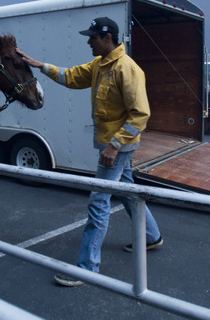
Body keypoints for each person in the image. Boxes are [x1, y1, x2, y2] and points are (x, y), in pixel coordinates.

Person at [17, 16, 163, 287]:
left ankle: (87, 267)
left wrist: (115, 146)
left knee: (98, 202)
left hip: (117, 147)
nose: (88, 41)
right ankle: (151, 236)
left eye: (92, 37)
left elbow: (140, 114)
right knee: (126, 189)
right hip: (113, 146)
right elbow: (71, 77)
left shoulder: (126, 68)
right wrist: (39, 65)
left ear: (107, 38)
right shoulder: (100, 65)